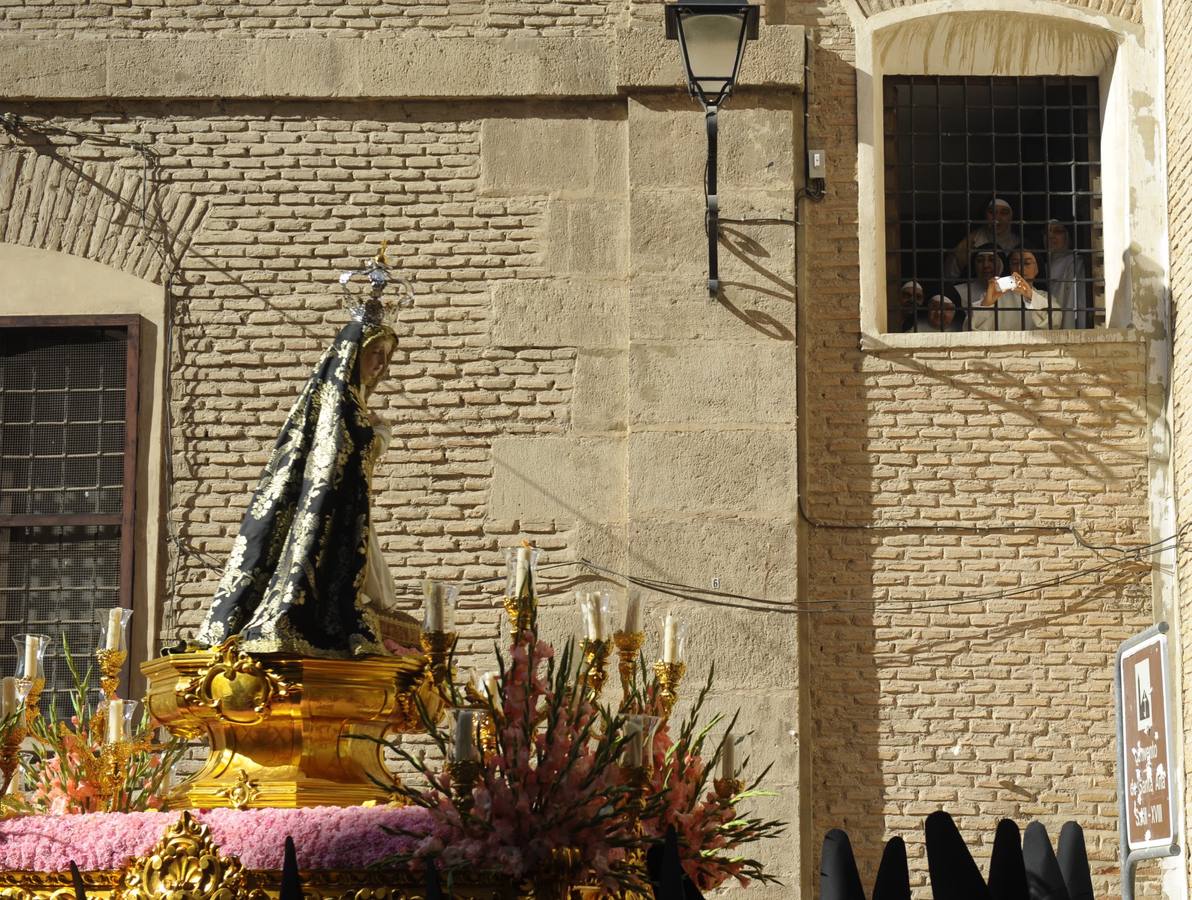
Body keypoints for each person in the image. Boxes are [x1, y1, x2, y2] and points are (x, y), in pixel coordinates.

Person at [195, 300, 420, 657]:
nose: (381, 364)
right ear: (353, 354)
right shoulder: (339, 401)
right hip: (327, 508)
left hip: (347, 510)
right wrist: (379, 434)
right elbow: (346, 451)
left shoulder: (349, 402)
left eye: (386, 357)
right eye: (375, 352)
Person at [970, 248, 1057, 332]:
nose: (1020, 268)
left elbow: (1055, 322)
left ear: (1037, 269)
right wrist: (986, 305)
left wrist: (1031, 296)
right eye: (1015, 263)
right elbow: (973, 328)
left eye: (1027, 263)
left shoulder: (1044, 297)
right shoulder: (995, 296)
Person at [943, 197, 1021, 281]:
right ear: (985, 215)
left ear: (1011, 216)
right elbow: (950, 278)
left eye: (1004, 213)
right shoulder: (969, 242)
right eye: (992, 212)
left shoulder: (1019, 243)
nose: (997, 218)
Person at [1045, 220, 1088, 329]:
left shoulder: (1075, 263)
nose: (1051, 236)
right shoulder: (1041, 263)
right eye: (1048, 231)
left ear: (1068, 236)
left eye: (1058, 231)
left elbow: (1075, 300)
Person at [947, 244, 1003, 323]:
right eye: (980, 261)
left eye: (992, 260)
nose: (986, 265)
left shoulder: (1013, 292)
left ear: (1002, 265)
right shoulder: (957, 292)